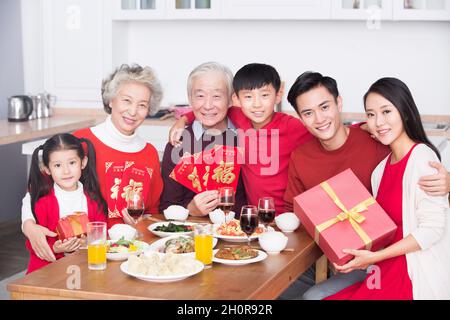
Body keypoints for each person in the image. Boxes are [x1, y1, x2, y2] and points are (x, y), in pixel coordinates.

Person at [282, 72, 450, 300]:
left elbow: (433, 226)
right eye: (371, 114)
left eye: (324, 107)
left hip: (404, 267)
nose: (319, 119)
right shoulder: (382, 166)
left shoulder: (412, 155)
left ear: (338, 103)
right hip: (373, 262)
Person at [21, 64, 164, 263]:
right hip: (81, 251)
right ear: (111, 100)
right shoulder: (81, 143)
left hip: (131, 250)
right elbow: (36, 190)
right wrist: (28, 225)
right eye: (126, 100)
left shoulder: (149, 153)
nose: (133, 111)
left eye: (142, 104)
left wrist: (142, 221)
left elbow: (153, 210)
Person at [169, 63, 312, 215]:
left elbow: (321, 143)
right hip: (254, 215)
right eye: (248, 97)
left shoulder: (292, 127)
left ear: (278, 95)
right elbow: (210, 110)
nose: (257, 104)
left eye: (264, 95)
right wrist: (183, 120)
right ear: (236, 99)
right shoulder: (239, 116)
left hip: (287, 215)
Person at [159, 62, 246, 216]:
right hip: (194, 234)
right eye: (200, 96)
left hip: (240, 234)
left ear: (231, 99)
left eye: (217, 96)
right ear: (190, 99)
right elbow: (166, 207)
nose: (207, 105)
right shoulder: (178, 143)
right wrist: (190, 210)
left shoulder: (247, 136)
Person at [26, 133, 107, 273]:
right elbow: (34, 243)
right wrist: (56, 248)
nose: (66, 171)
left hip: (84, 269)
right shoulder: (42, 202)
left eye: (72, 163)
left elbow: (100, 235)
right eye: (57, 165)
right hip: (46, 273)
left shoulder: (94, 200)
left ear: (83, 162)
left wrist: (87, 243)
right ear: (47, 169)